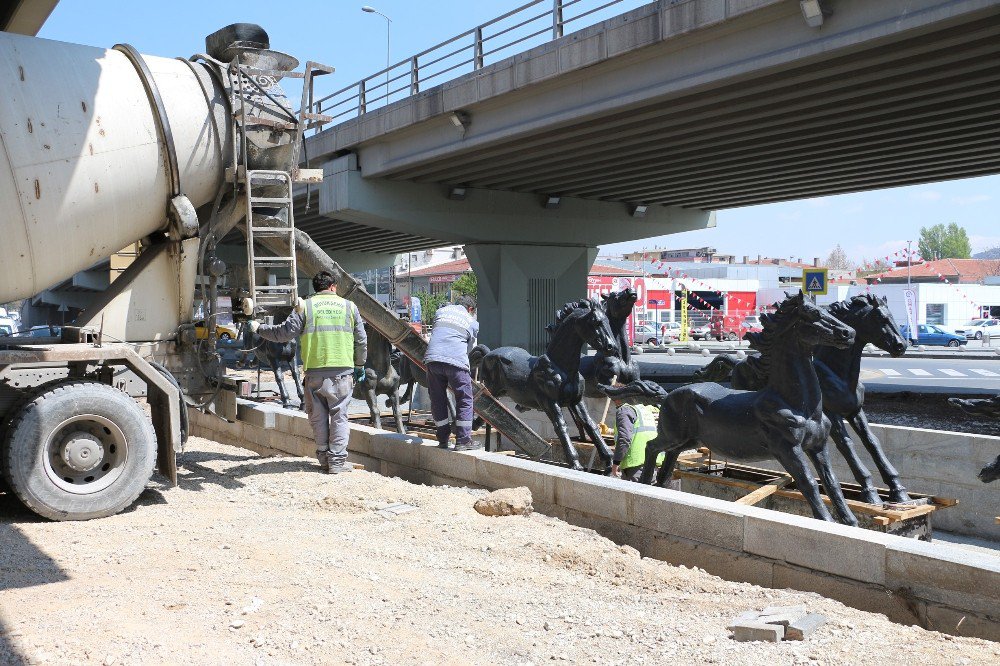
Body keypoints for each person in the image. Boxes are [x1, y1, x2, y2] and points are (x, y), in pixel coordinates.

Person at [250, 271, 367, 474]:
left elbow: (282, 333)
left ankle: (323, 459)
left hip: (314, 373)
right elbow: (361, 340)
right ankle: (337, 463)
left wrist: (259, 328)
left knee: (318, 417)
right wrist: (359, 364)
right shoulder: (349, 307)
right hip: (342, 372)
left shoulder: (306, 306)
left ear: (316, 287)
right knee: (339, 416)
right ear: (333, 286)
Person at [424, 295, 479, 451]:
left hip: (432, 360)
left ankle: (442, 439)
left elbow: (437, 333)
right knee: (464, 399)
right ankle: (463, 440)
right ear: (470, 309)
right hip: (456, 361)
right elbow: (469, 349)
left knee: (437, 399)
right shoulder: (472, 322)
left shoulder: (441, 312)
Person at [610, 402, 663, 482]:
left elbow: (624, 438)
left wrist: (616, 462)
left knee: (634, 493)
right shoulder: (646, 410)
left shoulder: (625, 410)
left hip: (635, 465)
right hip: (653, 462)